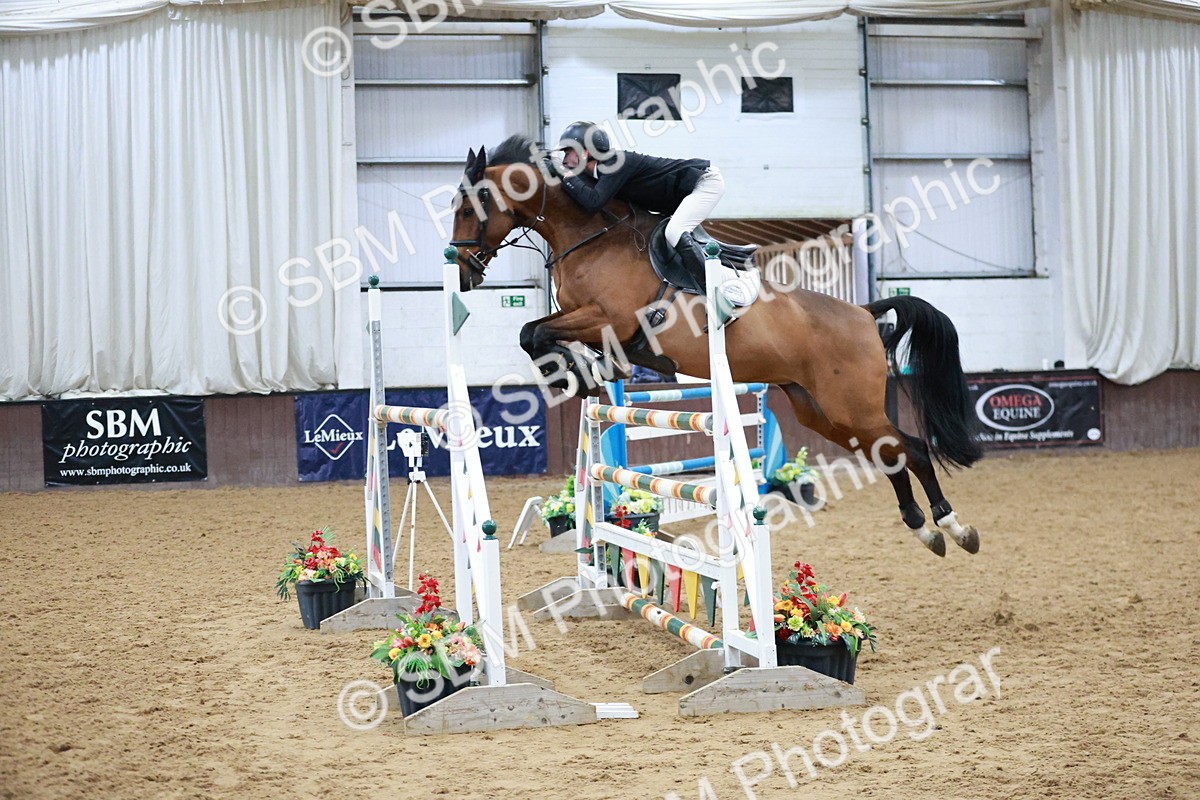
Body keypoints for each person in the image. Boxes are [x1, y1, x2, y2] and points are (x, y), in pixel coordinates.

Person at [550, 121, 758, 306]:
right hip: (679, 196)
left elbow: (592, 201)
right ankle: (728, 267)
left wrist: (563, 173)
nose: (565, 158)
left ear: (586, 152)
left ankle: (717, 297)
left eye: (568, 152)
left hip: (705, 183)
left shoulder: (615, 162)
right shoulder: (599, 173)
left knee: (674, 231)